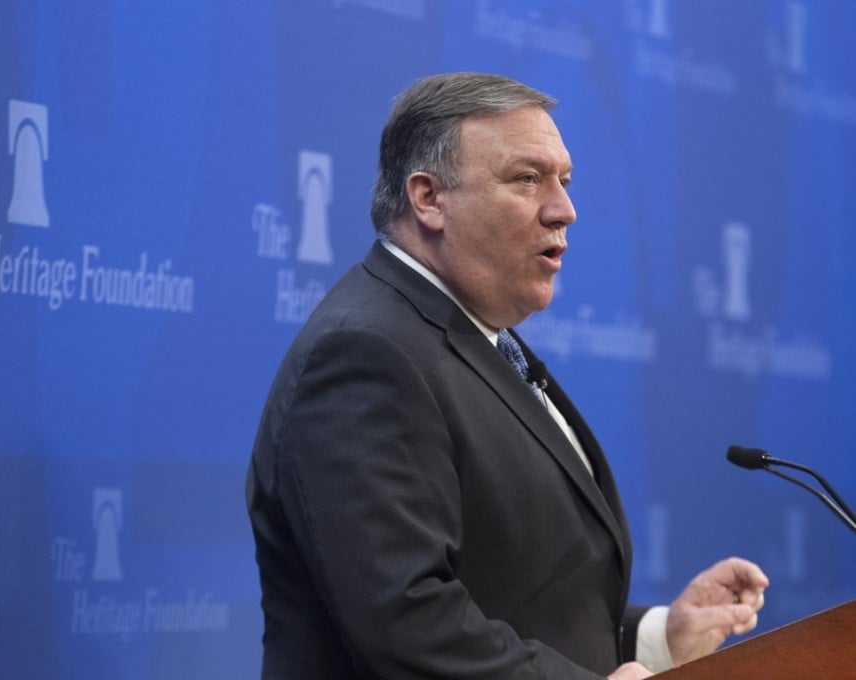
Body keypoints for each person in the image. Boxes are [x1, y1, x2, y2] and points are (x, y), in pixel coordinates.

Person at [246, 72, 768, 679]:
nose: (564, 210)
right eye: (526, 179)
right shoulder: (365, 354)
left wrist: (657, 637)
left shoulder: (473, 337)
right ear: (428, 197)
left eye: (564, 181)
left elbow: (517, 594)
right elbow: (407, 622)